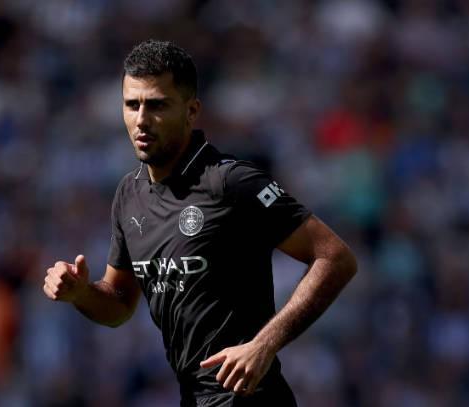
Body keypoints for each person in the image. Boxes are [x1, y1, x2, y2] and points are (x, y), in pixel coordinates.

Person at [43, 40, 357, 407]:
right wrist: (81, 293)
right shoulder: (129, 194)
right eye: (132, 105)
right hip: (193, 399)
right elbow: (120, 305)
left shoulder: (231, 183)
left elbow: (335, 257)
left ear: (191, 111)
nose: (141, 119)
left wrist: (264, 344)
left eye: (157, 105)